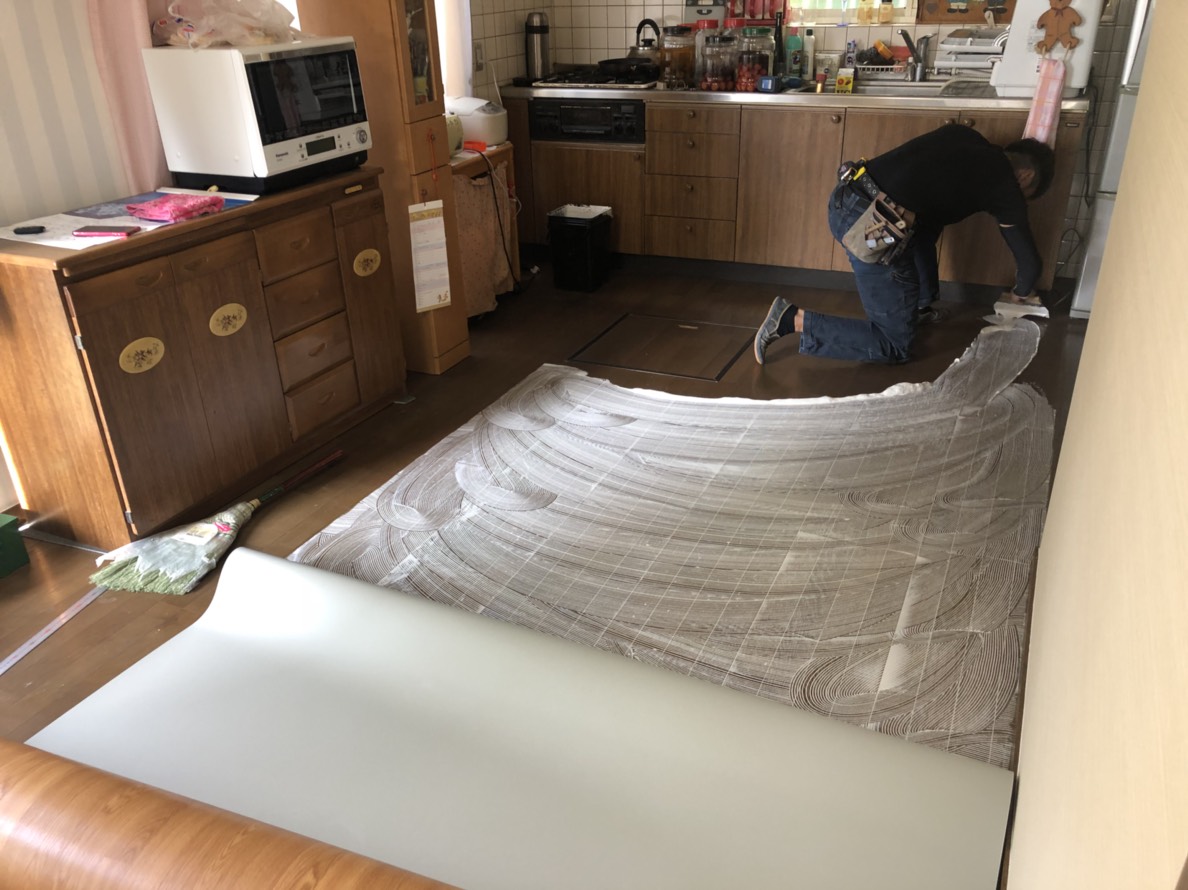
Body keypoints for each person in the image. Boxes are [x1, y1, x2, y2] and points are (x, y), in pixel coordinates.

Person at [753, 123, 1056, 365]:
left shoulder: (964, 134)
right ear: (1025, 176)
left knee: (920, 229)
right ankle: (792, 319)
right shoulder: (1004, 184)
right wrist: (1020, 294)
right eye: (1026, 197)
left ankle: (920, 308)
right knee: (894, 345)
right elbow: (1028, 262)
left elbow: (926, 226)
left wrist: (924, 300)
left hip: (847, 197)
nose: (1019, 202)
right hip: (871, 226)